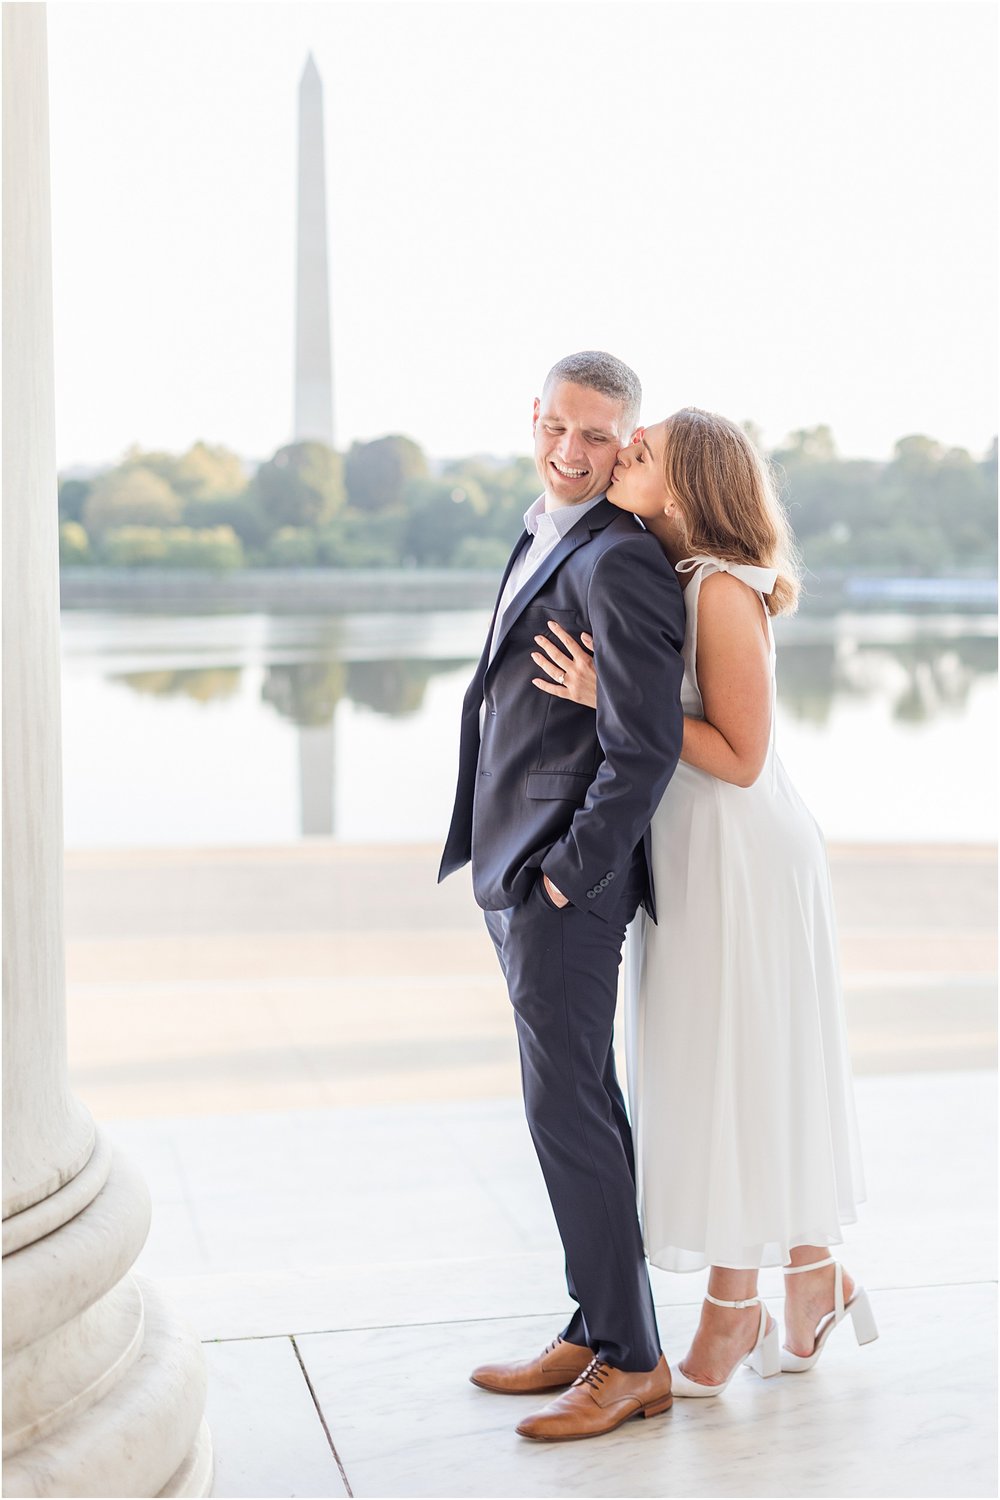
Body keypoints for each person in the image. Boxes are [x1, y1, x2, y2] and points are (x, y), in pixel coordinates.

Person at [530, 407, 877, 1398]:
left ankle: (746, 1311)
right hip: (698, 857)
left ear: (678, 491)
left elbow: (738, 757)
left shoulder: (721, 589)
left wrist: (614, 699)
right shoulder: (673, 575)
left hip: (742, 856)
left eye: (639, 454)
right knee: (737, 1067)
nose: (618, 456)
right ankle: (806, 1282)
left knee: (741, 1069)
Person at [439, 352, 686, 1441]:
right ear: (532, 418)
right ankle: (597, 1326)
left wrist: (562, 874)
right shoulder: (544, 523)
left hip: (559, 884)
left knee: (569, 1112)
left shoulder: (619, 559)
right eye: (556, 428)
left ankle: (633, 1361)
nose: (569, 454)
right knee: (575, 1103)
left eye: (595, 439)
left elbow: (644, 747)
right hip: (514, 866)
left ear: (625, 441)